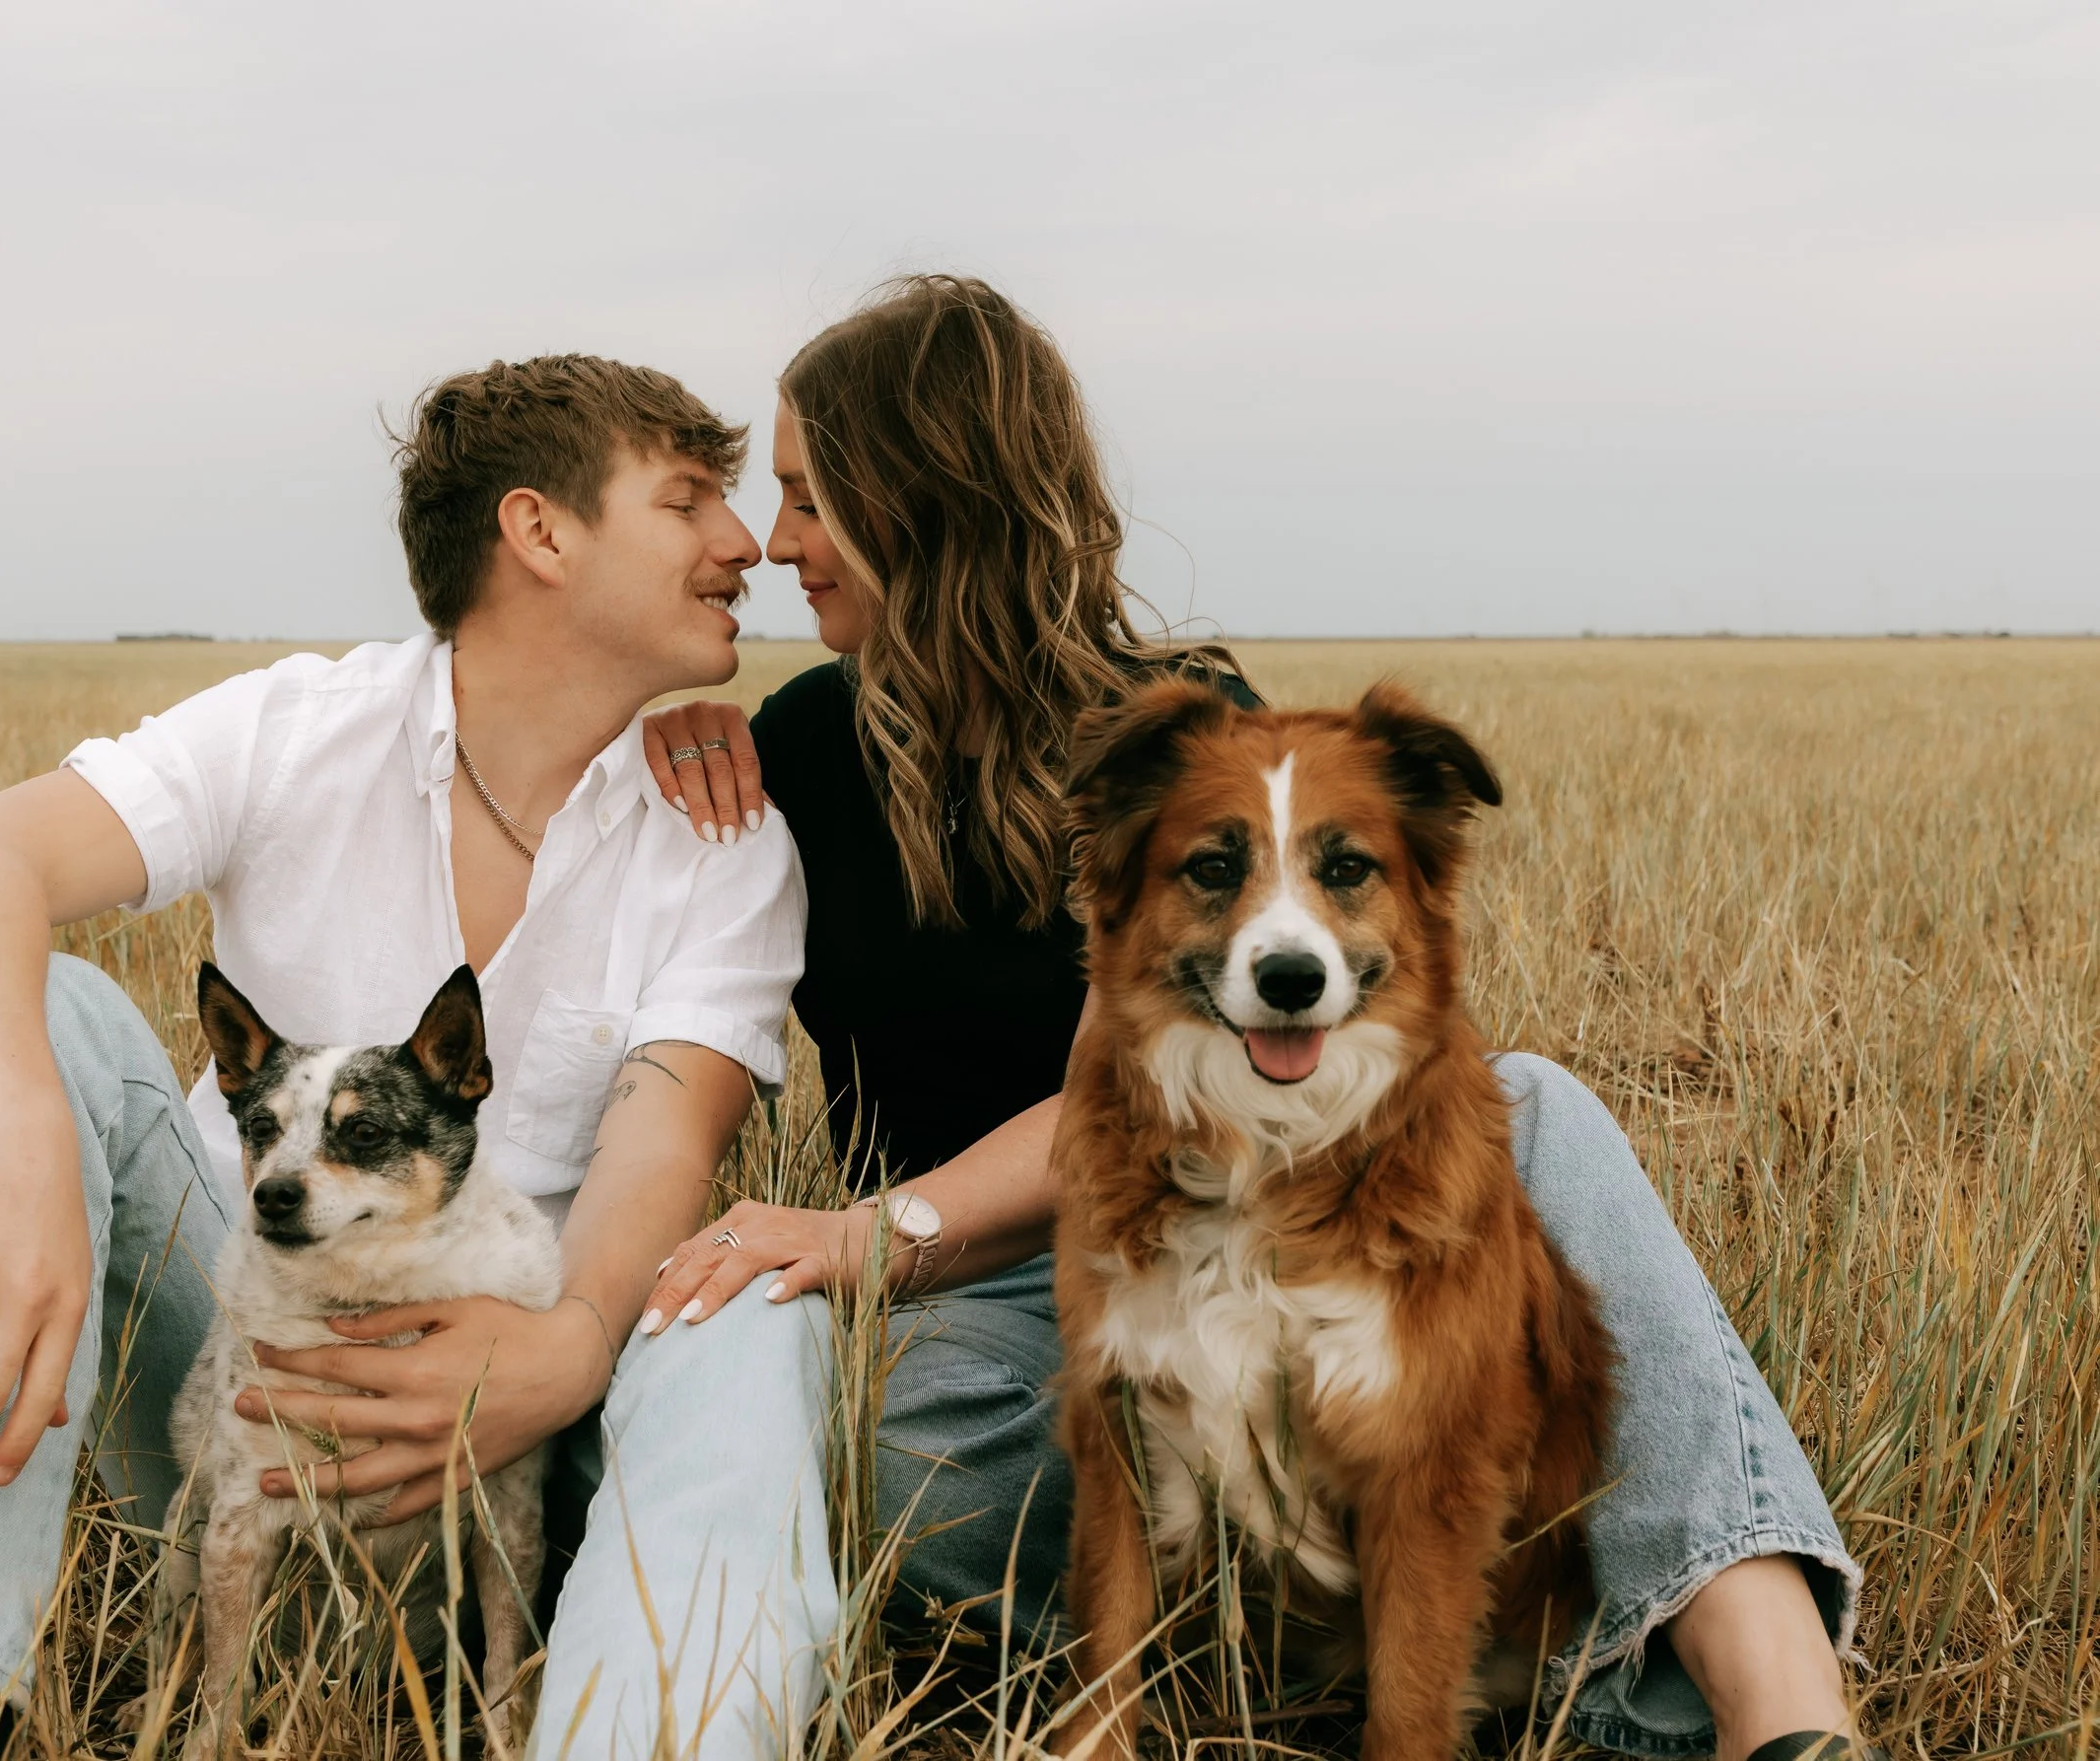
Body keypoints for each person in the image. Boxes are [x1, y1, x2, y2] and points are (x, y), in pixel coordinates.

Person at [602, 277, 1867, 1761]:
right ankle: (1272, 1643)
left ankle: (1778, 1699)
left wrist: (876, 1232)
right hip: (991, 1317)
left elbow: (1123, 1086)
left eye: (811, 497)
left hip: (1211, 1215)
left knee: (1534, 1111)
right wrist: (641, 721)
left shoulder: (1183, 721)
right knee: (908, 1478)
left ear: (923, 500)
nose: (773, 541)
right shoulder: (799, 746)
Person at [0, 356, 820, 1760]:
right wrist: (21, 1129)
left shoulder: (721, 835)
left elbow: (662, 1154)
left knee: (754, 1298)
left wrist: (561, 1350)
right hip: (234, 1382)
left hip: (512, 1430)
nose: (746, 543)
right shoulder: (297, 730)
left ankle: (641, 1735)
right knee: (51, 1014)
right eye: (691, 502)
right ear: (541, 532)